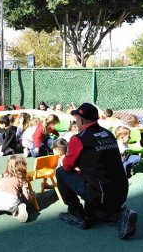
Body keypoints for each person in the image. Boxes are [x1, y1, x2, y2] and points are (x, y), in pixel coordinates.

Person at [55, 103, 137, 240]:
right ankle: (119, 214)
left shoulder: (79, 139)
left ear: (81, 120)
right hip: (121, 191)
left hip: (101, 194)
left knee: (61, 172)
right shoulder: (108, 134)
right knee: (93, 211)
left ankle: (76, 215)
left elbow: (68, 166)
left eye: (76, 118)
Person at [0, 156, 34, 223]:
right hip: (11, 202)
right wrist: (31, 197)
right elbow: (25, 195)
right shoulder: (22, 179)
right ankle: (18, 210)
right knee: (18, 204)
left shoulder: (2, 175)